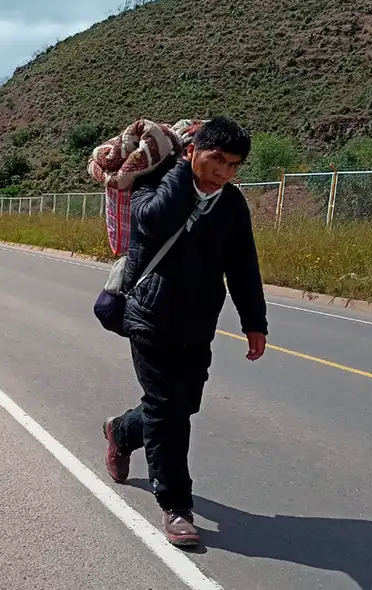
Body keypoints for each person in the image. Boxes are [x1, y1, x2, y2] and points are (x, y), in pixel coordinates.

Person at [101, 117, 268, 547]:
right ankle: (176, 505)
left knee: (183, 405)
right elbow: (152, 222)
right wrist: (180, 172)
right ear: (192, 152)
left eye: (233, 166)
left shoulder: (232, 204)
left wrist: (254, 322)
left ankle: (122, 431)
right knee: (166, 410)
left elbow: (243, 265)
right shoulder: (152, 184)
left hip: (198, 322)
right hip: (150, 315)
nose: (223, 172)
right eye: (216, 159)